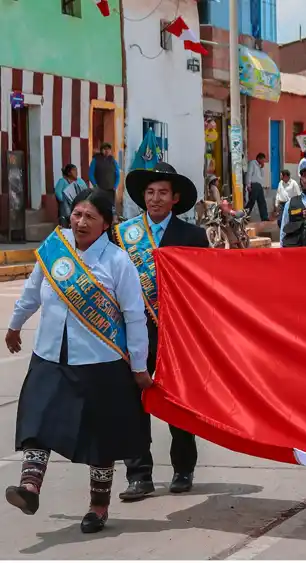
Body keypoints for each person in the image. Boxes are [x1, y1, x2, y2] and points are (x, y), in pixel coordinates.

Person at [5, 189, 151, 533]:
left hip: (101, 362)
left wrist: (140, 366)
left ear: (105, 224)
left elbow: (134, 316)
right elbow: (31, 291)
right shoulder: (55, 249)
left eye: (90, 217)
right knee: (37, 420)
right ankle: (29, 488)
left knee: (99, 438)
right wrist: (14, 325)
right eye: (77, 215)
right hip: (50, 355)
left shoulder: (117, 262)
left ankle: (98, 506)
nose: (81, 222)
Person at [116, 162, 209, 501]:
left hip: (175, 334)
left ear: (175, 198)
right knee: (132, 405)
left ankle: (183, 468)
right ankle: (139, 475)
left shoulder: (193, 236)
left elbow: (205, 288)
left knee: (177, 403)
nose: (155, 199)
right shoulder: (124, 236)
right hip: (133, 334)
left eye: (163, 193)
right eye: (150, 193)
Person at [88, 143, 120, 210]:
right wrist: (95, 185)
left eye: (108, 149)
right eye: (105, 149)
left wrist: (115, 186)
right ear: (101, 150)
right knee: (99, 207)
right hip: (99, 189)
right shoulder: (95, 160)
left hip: (111, 189)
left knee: (110, 207)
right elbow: (90, 174)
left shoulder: (113, 160)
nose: (107, 151)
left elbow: (117, 174)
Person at [55, 164, 88, 228]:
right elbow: (57, 192)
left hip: (79, 204)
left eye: (76, 170)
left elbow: (86, 190)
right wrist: (66, 200)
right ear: (69, 173)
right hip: (67, 206)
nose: (76, 172)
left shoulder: (80, 181)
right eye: (74, 170)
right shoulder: (62, 181)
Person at [246, 153, 269, 222]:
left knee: (262, 202)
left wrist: (261, 167)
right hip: (254, 185)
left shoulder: (259, 166)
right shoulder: (252, 163)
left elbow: (261, 176)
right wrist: (248, 185)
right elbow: (249, 174)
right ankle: (245, 215)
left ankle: (264, 217)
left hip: (259, 185)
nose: (263, 162)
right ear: (259, 158)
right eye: (262, 160)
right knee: (251, 201)